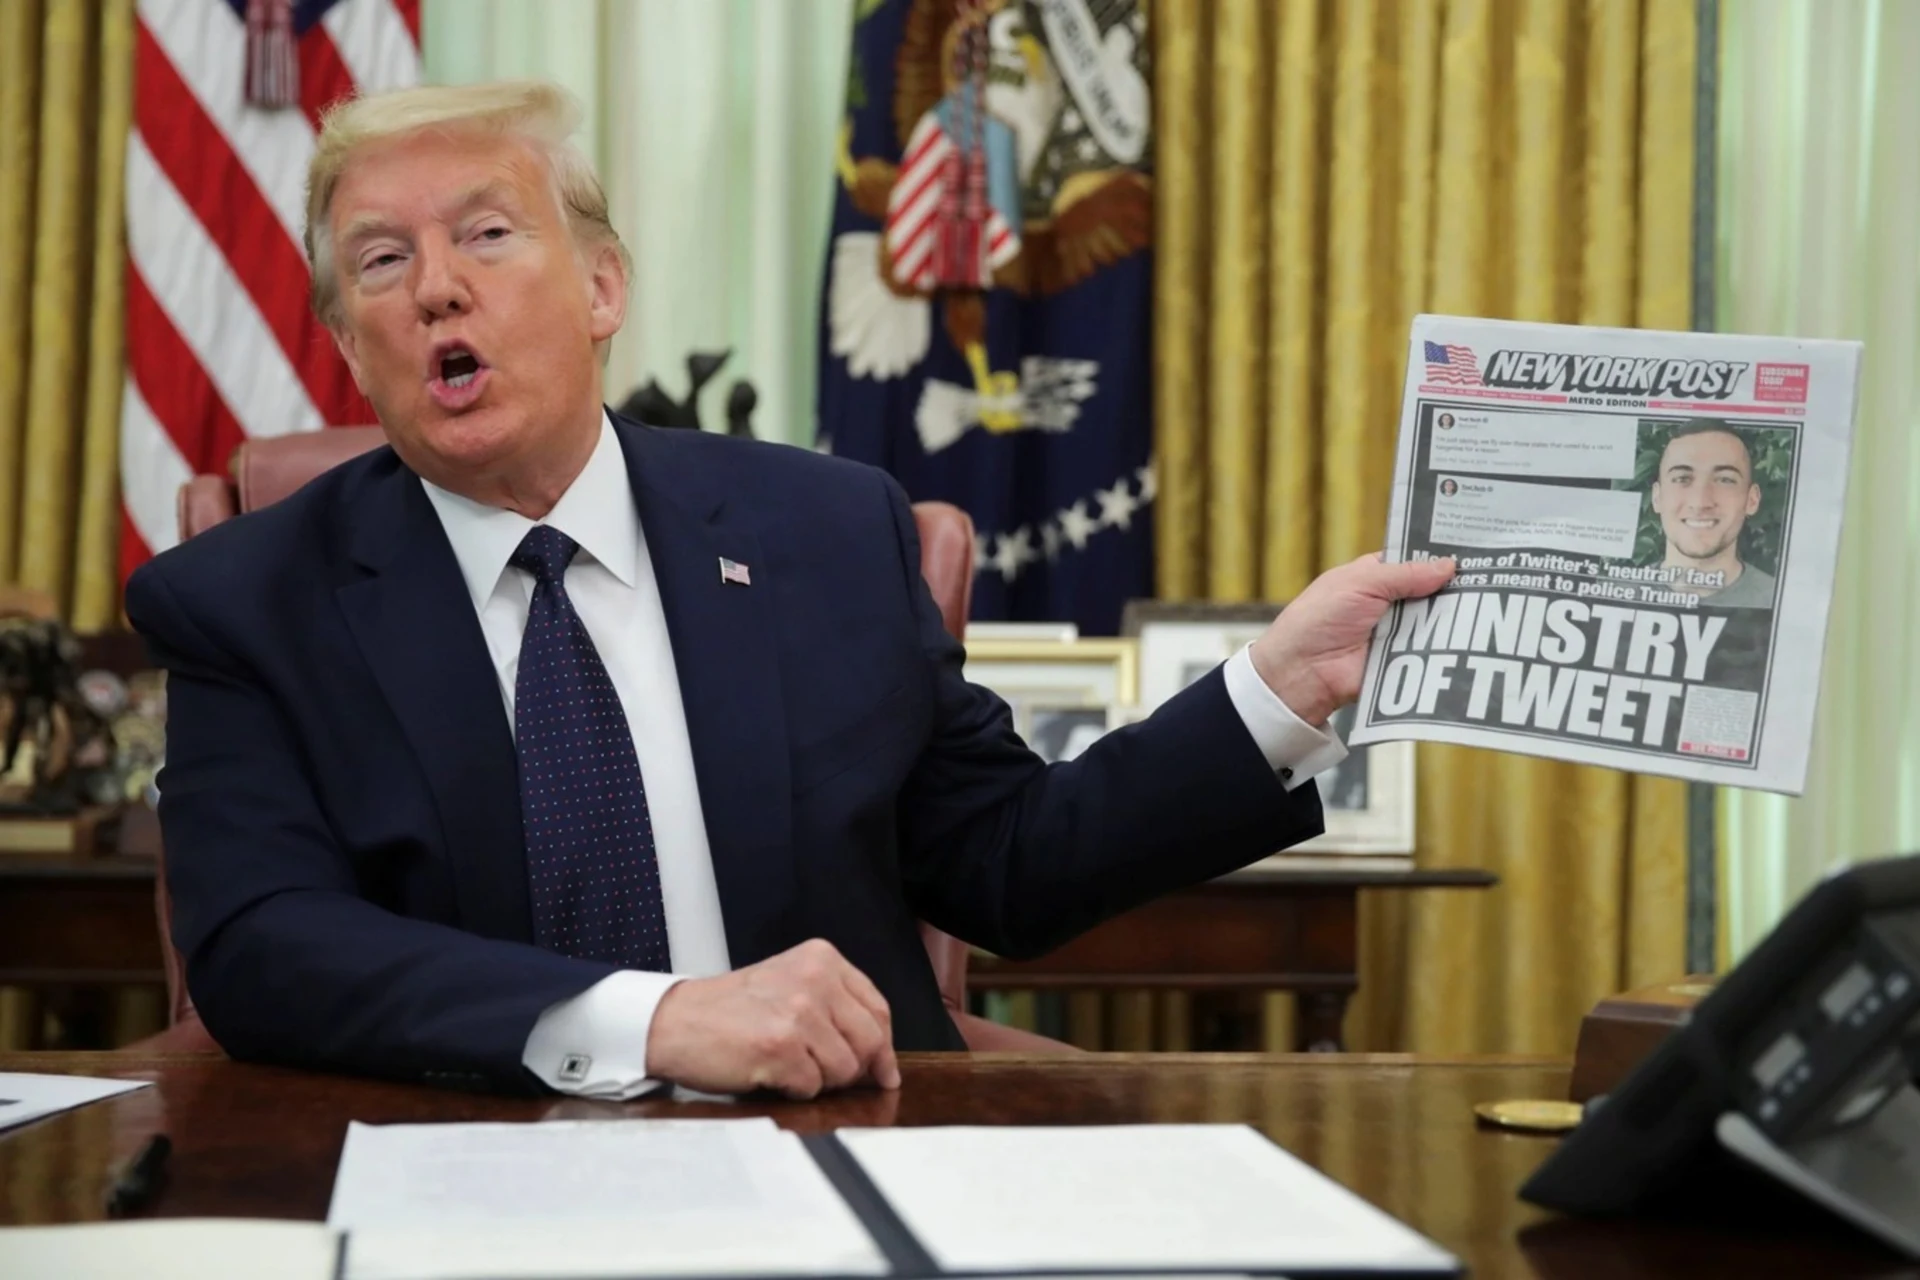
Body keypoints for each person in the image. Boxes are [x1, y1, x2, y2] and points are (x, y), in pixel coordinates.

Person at [125, 82, 1454, 1102]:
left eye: (484, 232)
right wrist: (649, 1021)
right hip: (465, 1152)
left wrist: (1281, 694)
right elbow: (261, 949)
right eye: (380, 263)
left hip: (833, 1144)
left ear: (602, 288)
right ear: (348, 338)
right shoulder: (248, 599)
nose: (438, 288)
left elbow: (1005, 864)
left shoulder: (822, 531)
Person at [1647, 423, 1776, 608]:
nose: (1700, 503)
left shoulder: (1780, 602)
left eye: (1725, 480)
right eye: (1682, 478)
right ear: (1657, 497)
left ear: (1752, 500)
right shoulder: (1613, 590)